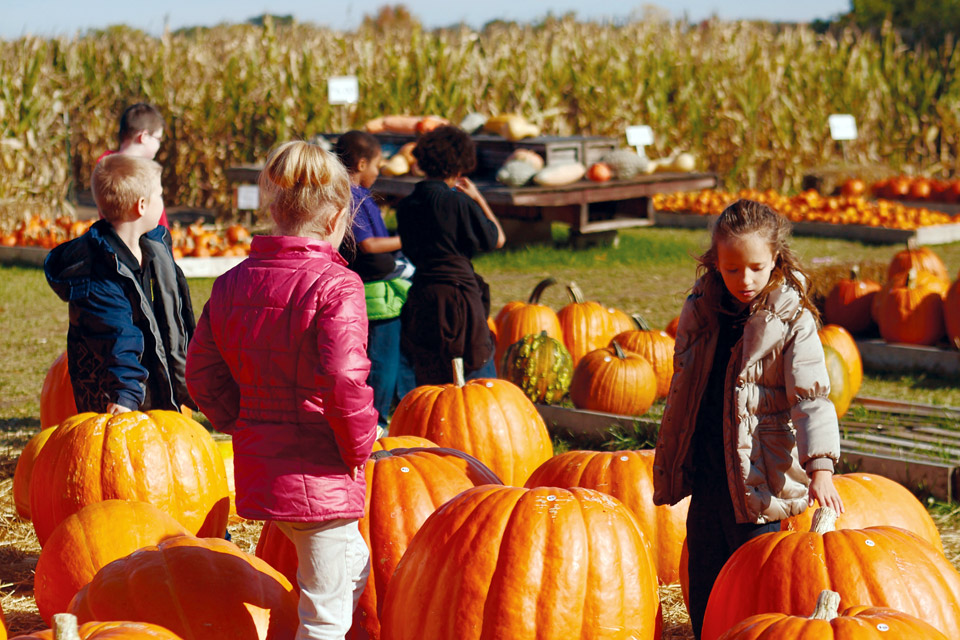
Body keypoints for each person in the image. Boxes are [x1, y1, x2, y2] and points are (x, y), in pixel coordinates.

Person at [185, 140, 378, 640]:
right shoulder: (338, 286)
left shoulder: (231, 283)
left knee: (351, 563)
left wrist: (240, 420)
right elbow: (344, 379)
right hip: (321, 471)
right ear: (338, 216)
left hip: (264, 470)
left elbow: (201, 373)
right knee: (326, 618)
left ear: (273, 209)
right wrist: (360, 444)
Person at [651, 199, 844, 639]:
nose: (745, 280)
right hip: (708, 468)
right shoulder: (702, 309)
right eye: (732, 268)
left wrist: (821, 467)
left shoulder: (793, 319)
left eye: (756, 267)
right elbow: (685, 387)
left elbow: (812, 397)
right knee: (704, 581)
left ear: (775, 259)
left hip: (760, 477)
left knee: (754, 584)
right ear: (716, 262)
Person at [44, 154, 196, 414]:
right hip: (118, 398)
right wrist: (125, 395)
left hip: (152, 388)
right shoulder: (98, 275)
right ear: (141, 206)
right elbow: (115, 335)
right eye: (159, 196)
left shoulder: (151, 248)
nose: (163, 203)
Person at [395, 125, 506, 384]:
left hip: (422, 294)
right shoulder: (457, 202)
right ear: (460, 167)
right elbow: (497, 239)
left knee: (431, 377)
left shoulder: (407, 206)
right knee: (476, 375)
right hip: (460, 297)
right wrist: (478, 197)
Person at [334, 130, 415, 427]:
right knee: (383, 360)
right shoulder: (355, 197)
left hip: (362, 288)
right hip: (376, 294)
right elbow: (368, 245)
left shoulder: (341, 194)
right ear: (361, 163)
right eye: (378, 166)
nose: (379, 172)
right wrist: (406, 239)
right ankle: (377, 419)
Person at [97, 102, 170, 227]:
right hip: (143, 243)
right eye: (158, 139)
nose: (159, 145)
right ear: (144, 136)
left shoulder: (104, 166)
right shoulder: (139, 172)